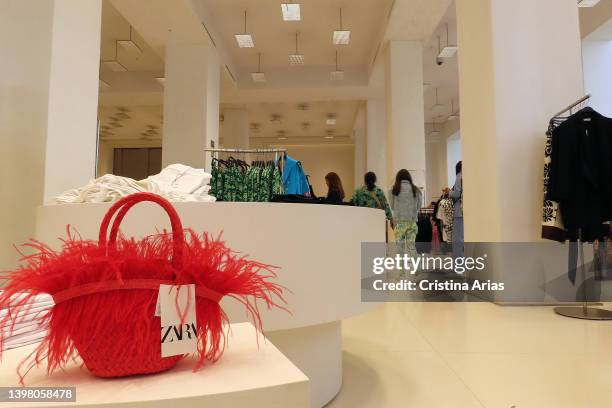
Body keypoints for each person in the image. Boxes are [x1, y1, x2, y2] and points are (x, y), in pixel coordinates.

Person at [389, 169, 422, 256]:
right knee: (412, 247)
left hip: (399, 223)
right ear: (409, 178)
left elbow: (392, 206)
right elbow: (419, 206)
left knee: (400, 250)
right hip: (412, 222)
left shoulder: (394, 189)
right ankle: (416, 269)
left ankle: (402, 270)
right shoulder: (416, 190)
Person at [444, 161, 464, 259]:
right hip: (466, 212)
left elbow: (456, 194)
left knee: (457, 240)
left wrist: (449, 192)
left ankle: (458, 264)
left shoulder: (459, 176)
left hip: (459, 212)